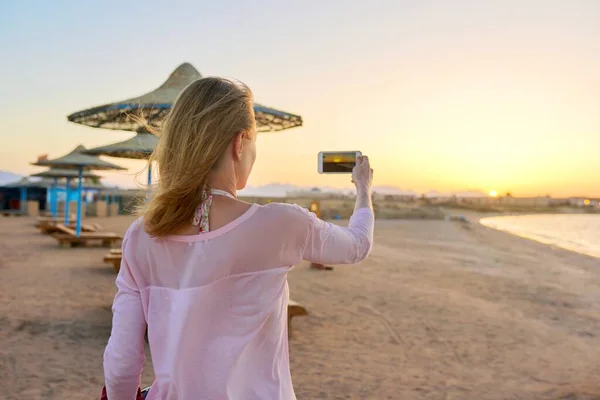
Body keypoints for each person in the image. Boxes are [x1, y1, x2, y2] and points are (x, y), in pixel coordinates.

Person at [103, 77, 375, 400]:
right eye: (255, 141)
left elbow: (120, 369)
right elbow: (358, 244)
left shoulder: (141, 237)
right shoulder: (281, 224)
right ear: (239, 142)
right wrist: (364, 189)